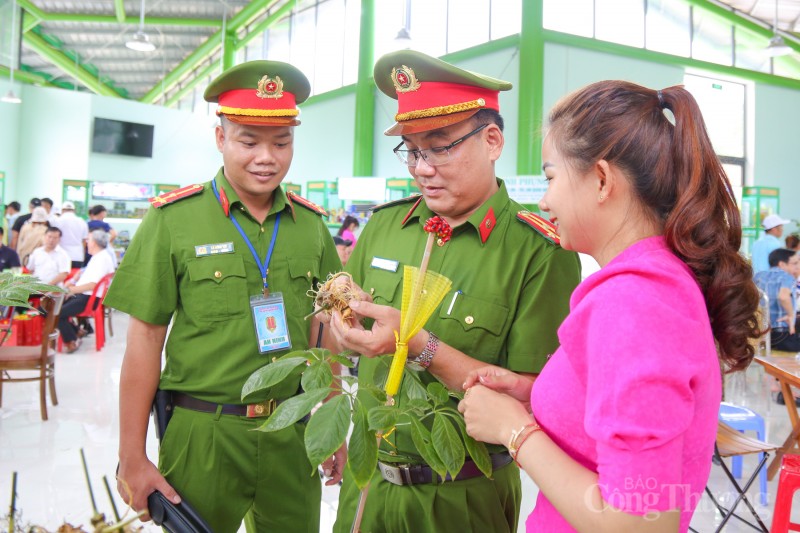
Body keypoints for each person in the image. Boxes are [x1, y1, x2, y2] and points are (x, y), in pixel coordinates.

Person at [457, 81, 760, 533]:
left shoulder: (633, 305)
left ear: (601, 180)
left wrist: (514, 432)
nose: (545, 200)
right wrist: (530, 392)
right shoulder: (648, 286)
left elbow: (641, 521)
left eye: (551, 177)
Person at [329, 50, 581, 533]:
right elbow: (346, 327)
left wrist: (419, 346)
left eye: (440, 147)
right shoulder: (385, 228)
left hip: (463, 498)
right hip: (368, 491)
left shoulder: (538, 252)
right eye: (412, 150)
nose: (422, 168)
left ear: (492, 140)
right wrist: (345, 332)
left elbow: (534, 401)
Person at [103, 60, 345, 533]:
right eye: (248, 141)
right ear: (220, 138)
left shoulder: (311, 225)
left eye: (281, 142)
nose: (266, 158)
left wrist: (329, 418)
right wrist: (131, 456)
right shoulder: (173, 220)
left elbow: (325, 329)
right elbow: (145, 340)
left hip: (291, 429)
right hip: (203, 432)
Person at [59, 230, 116, 353]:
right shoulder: (99, 256)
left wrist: (69, 290)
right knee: (50, 309)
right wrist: (73, 281)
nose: (86, 242)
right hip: (84, 295)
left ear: (94, 243)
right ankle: (76, 331)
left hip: (88, 298)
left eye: (88, 240)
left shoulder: (101, 259)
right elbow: (85, 274)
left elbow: (92, 285)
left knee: (57, 312)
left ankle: (71, 341)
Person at [754, 248, 800, 352]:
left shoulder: (758, 276)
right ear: (782, 264)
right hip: (782, 334)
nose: (797, 266)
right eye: (794, 263)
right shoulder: (787, 277)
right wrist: (791, 315)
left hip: (762, 334)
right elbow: (783, 297)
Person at [52, 201, 89, 269]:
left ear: (62, 210)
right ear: (74, 210)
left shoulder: (57, 221)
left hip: (61, 256)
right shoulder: (82, 222)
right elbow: (84, 241)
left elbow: (54, 238)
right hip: (77, 256)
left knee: (61, 278)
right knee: (74, 278)